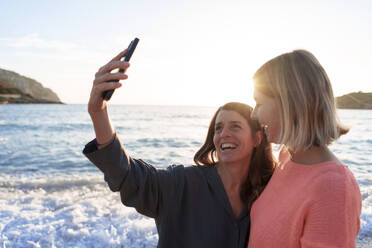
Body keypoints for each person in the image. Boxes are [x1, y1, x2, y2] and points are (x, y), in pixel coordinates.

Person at [83, 50, 275, 248]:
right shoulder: (182, 184)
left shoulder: (269, 191)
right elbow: (128, 175)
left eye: (235, 126)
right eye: (218, 128)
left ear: (257, 138)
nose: (224, 134)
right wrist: (99, 112)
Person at [248, 49, 362, 248]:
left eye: (259, 103)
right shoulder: (287, 156)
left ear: (290, 103)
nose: (253, 115)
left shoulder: (333, 187)